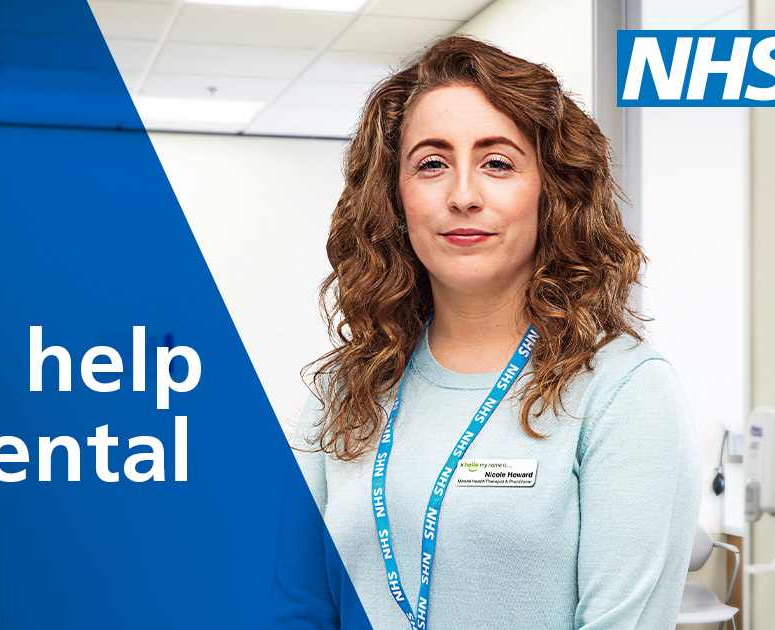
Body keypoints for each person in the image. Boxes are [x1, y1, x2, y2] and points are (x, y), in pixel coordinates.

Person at [268, 36, 702, 629]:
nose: (463, 195)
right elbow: (298, 609)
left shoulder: (623, 392)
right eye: (431, 164)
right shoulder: (345, 393)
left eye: (497, 162)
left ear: (552, 191)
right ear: (395, 197)